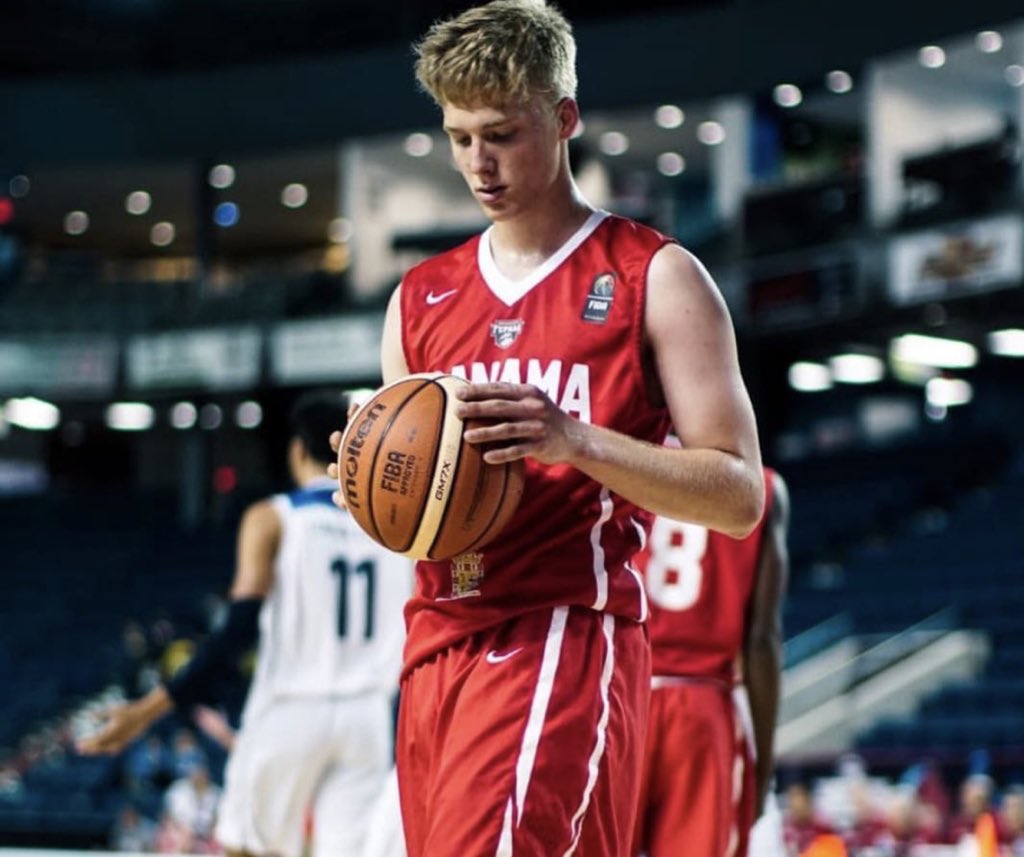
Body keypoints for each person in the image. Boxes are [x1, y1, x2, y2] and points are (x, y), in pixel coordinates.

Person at [328, 3, 763, 855]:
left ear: (565, 119)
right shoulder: (419, 297)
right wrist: (366, 474)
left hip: (564, 630)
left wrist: (576, 440)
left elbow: (740, 494)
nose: (477, 164)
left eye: (501, 134)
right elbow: (414, 514)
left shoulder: (655, 275)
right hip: (436, 644)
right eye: (458, 138)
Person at [80, 392, 413, 857]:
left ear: (297, 450)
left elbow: (236, 631)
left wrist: (148, 708)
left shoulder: (273, 517)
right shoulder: (398, 528)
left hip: (291, 706)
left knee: (248, 849)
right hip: (368, 719)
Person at [632, 460, 789, 857]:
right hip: (702, 707)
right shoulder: (762, 488)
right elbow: (762, 639)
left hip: (621, 692)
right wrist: (764, 767)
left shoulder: (618, 457)